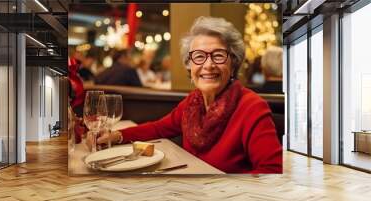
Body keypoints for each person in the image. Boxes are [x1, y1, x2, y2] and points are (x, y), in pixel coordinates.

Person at [93, 16, 282, 174]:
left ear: (233, 64)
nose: (208, 65)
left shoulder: (251, 107)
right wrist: (115, 135)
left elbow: (272, 171)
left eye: (218, 55)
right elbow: (158, 129)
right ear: (189, 65)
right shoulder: (193, 103)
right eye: (199, 56)